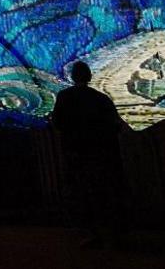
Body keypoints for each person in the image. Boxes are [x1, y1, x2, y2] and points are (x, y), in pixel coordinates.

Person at [52, 60, 128, 246]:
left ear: (72, 77)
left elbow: (58, 123)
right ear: (90, 76)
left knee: (82, 191)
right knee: (103, 190)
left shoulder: (64, 96)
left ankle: (91, 232)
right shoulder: (102, 98)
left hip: (76, 151)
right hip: (101, 152)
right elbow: (114, 125)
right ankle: (113, 230)